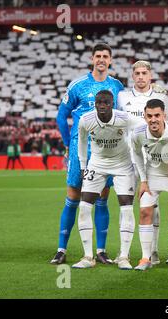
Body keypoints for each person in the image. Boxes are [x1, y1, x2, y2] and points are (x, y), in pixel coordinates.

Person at [51, 43, 124, 265]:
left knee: (102, 198)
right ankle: (61, 249)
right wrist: (67, 143)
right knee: (73, 196)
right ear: (92, 58)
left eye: (105, 56)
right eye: (98, 56)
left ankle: (100, 251)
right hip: (80, 146)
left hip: (106, 149)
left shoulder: (117, 86)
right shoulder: (78, 85)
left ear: (110, 60)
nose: (101, 59)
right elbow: (61, 117)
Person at [72, 90, 137, 270]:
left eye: (106, 102)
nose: (102, 105)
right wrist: (84, 167)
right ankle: (87, 256)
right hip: (97, 164)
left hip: (122, 164)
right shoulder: (86, 119)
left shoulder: (125, 118)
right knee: (84, 206)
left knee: (126, 207)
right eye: (99, 102)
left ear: (112, 103)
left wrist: (136, 158)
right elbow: (82, 142)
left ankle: (124, 256)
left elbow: (141, 128)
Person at [117, 60, 168, 266]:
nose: (140, 76)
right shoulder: (123, 97)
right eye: (136, 73)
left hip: (153, 158)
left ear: (150, 75)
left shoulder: (160, 96)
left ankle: (153, 251)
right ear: (132, 76)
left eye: (144, 73)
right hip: (128, 158)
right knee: (126, 205)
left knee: (151, 205)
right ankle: (124, 253)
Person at [131, 99, 168, 271]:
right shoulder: (138, 133)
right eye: (149, 116)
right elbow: (137, 154)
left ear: (164, 115)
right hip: (153, 176)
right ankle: (145, 258)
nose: (153, 119)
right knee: (144, 211)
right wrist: (143, 181)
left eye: (157, 115)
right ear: (144, 116)